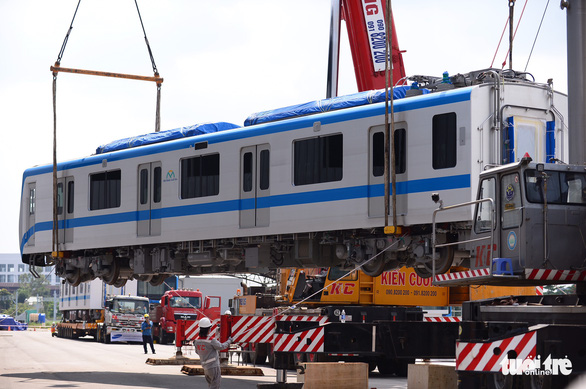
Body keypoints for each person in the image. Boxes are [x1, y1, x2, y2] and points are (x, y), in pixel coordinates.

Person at [194, 317, 233, 389]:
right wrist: (229, 341)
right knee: (215, 386)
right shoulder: (211, 340)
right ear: (209, 329)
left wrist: (217, 334)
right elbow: (221, 346)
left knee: (211, 385)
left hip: (205, 367)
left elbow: (197, 351)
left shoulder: (197, 341)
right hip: (213, 367)